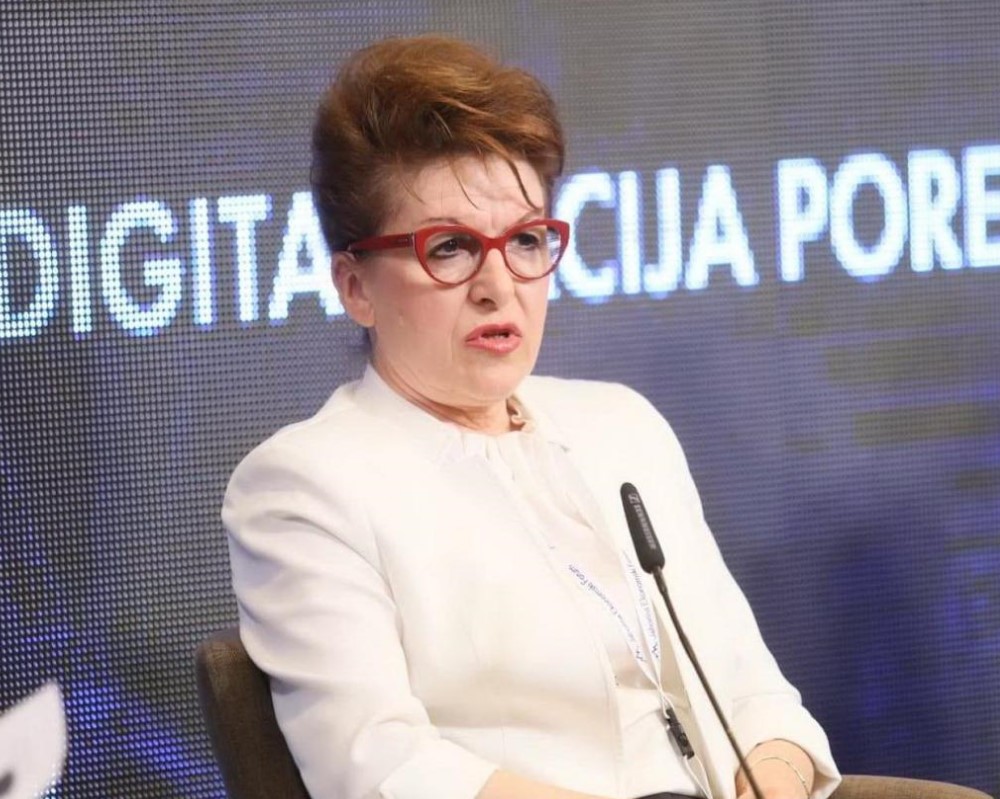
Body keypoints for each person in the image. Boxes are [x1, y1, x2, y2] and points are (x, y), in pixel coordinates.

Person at [222, 34, 841, 799]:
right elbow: (381, 765)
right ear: (355, 286)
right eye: (450, 247)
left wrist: (773, 781)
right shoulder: (304, 485)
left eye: (524, 239)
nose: (499, 284)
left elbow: (754, 693)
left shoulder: (623, 426)